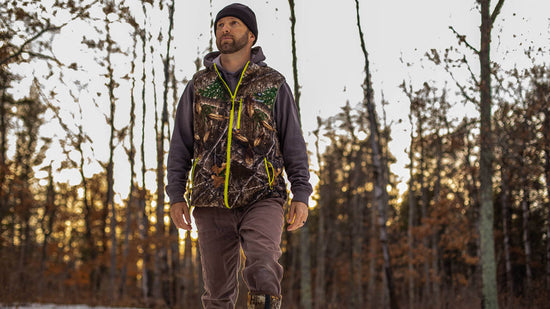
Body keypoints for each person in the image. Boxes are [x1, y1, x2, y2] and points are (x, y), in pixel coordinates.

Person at [166, 3, 312, 309]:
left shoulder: (273, 84)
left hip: (263, 194)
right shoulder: (199, 85)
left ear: (251, 34)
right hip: (210, 199)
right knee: (217, 293)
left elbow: (293, 141)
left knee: (262, 265)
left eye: (233, 23)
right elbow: (180, 144)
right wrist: (176, 194)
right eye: (220, 25)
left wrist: (301, 191)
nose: (225, 30)